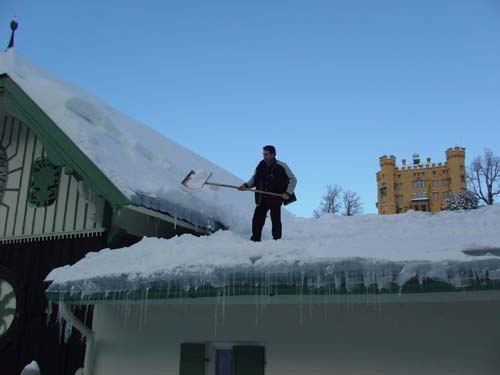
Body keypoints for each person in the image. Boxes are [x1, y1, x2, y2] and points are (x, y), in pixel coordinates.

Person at [239, 145, 297, 241]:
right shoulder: (260, 165)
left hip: (275, 197)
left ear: (273, 154)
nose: (264, 156)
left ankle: (277, 241)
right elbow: (254, 179)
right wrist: (246, 186)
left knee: (275, 220)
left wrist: (288, 193)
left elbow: (293, 180)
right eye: (263, 154)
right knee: (257, 219)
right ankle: (255, 240)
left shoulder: (281, 166)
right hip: (261, 197)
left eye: (266, 154)